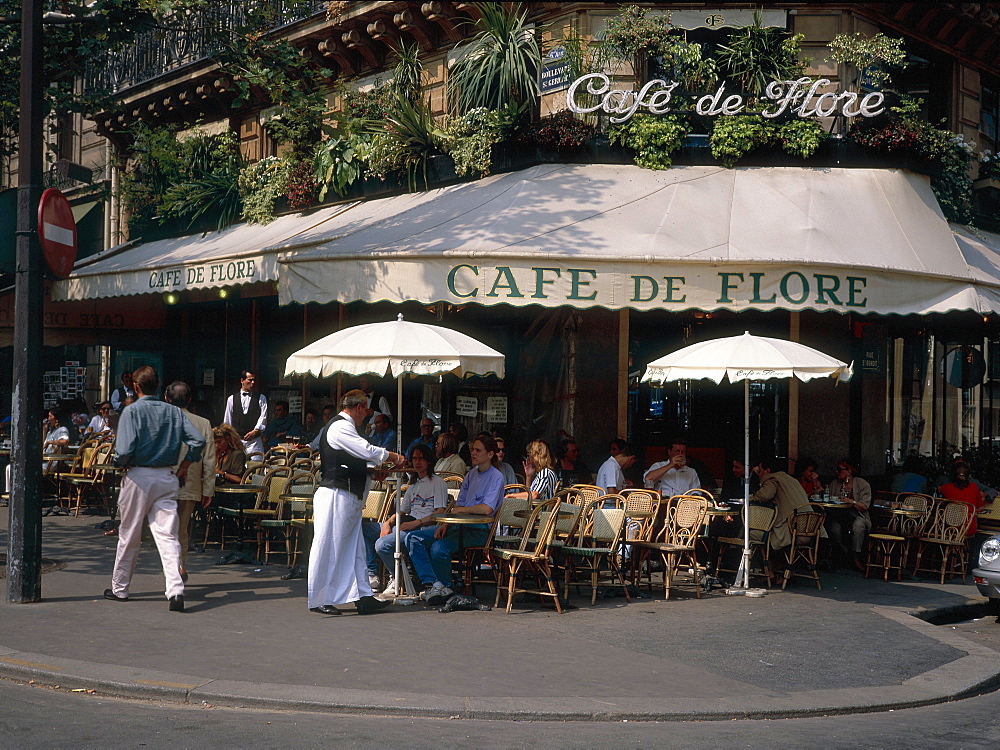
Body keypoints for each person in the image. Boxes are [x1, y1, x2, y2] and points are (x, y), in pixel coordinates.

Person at [105, 366, 205, 612]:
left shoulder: (131, 411)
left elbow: (125, 451)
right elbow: (198, 441)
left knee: (129, 533)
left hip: (139, 476)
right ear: (157, 386)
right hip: (167, 475)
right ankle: (176, 589)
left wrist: (119, 463)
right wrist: (184, 466)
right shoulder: (174, 412)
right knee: (167, 535)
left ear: (136, 387)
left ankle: (120, 588)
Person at [308, 389, 405, 616]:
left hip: (346, 494)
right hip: (335, 494)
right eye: (366, 411)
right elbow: (365, 450)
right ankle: (320, 597)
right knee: (329, 545)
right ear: (359, 407)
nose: (367, 416)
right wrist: (393, 456)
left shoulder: (346, 427)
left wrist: (371, 474)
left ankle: (363, 596)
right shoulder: (341, 426)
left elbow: (353, 460)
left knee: (355, 548)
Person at [405, 435, 504, 605]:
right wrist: (445, 524)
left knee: (438, 548)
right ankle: (434, 583)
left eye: (477, 450)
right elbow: (460, 503)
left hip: (479, 530)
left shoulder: (496, 477)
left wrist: (461, 511)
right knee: (413, 538)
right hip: (458, 525)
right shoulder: (471, 475)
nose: (472, 453)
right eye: (472, 449)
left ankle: (447, 587)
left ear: (490, 454)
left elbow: (486, 509)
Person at [375, 443, 449, 596]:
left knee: (382, 544)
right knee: (365, 529)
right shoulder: (413, 485)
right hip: (406, 523)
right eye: (414, 458)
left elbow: (440, 513)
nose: (417, 462)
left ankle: (397, 577)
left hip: (422, 528)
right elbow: (402, 511)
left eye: (421, 458)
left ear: (429, 461)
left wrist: (416, 523)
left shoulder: (437, 482)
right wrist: (388, 523)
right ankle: (371, 573)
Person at [165, 381, 215, 583]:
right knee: (181, 530)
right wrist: (208, 490)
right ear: (190, 400)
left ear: (166, 399)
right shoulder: (203, 424)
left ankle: (172, 570)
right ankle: (179, 566)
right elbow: (210, 461)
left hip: (162, 483)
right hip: (190, 484)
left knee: (165, 531)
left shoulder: (159, 421)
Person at [749, 456, 810, 552]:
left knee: (752, 534)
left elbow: (765, 495)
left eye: (760, 470)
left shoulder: (772, 478)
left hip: (791, 532)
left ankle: (758, 564)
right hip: (809, 529)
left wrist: (753, 495)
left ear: (767, 470)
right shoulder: (791, 480)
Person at [826, 459, 873, 571]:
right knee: (834, 528)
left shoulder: (862, 484)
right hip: (840, 515)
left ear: (849, 471)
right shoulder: (835, 484)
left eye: (839, 469)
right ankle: (846, 553)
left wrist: (852, 501)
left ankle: (856, 557)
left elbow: (865, 506)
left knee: (858, 526)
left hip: (859, 515)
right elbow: (829, 499)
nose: (836, 472)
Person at [222, 370, 267, 457]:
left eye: (254, 380)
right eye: (250, 380)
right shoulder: (231, 399)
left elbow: (263, 417)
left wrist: (255, 431)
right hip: (238, 442)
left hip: (255, 442)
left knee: (257, 467)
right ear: (242, 381)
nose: (253, 382)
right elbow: (227, 421)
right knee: (237, 468)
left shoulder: (261, 398)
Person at [939, 461, 985, 537]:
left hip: (949, 528)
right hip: (968, 528)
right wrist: (969, 510)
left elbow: (938, 490)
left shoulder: (945, 488)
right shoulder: (974, 487)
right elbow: (981, 508)